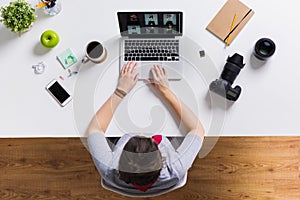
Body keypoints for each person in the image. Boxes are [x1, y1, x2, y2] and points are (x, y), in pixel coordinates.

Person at [86, 62, 204, 197]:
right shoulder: (176, 168)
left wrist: (121, 90)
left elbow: (95, 128)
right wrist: (166, 91)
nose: (142, 132)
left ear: (121, 159)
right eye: (149, 139)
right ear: (162, 159)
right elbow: (197, 129)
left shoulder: (108, 168)